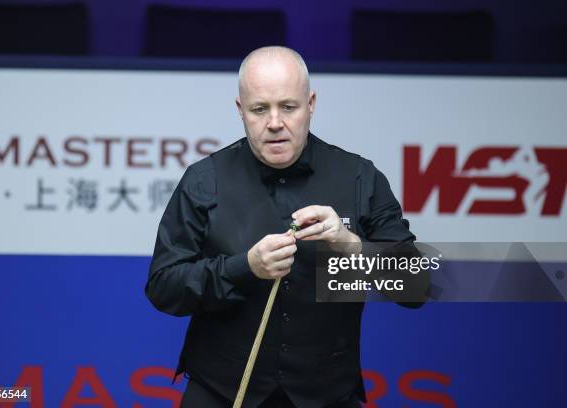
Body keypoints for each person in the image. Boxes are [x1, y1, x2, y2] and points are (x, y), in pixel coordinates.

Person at [146, 46, 422, 407]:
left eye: (288, 107)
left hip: (328, 395)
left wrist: (349, 244)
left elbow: (416, 287)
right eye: (260, 109)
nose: (275, 122)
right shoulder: (203, 180)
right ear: (240, 111)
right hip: (222, 391)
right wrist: (244, 268)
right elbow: (163, 287)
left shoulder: (359, 178)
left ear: (311, 104)